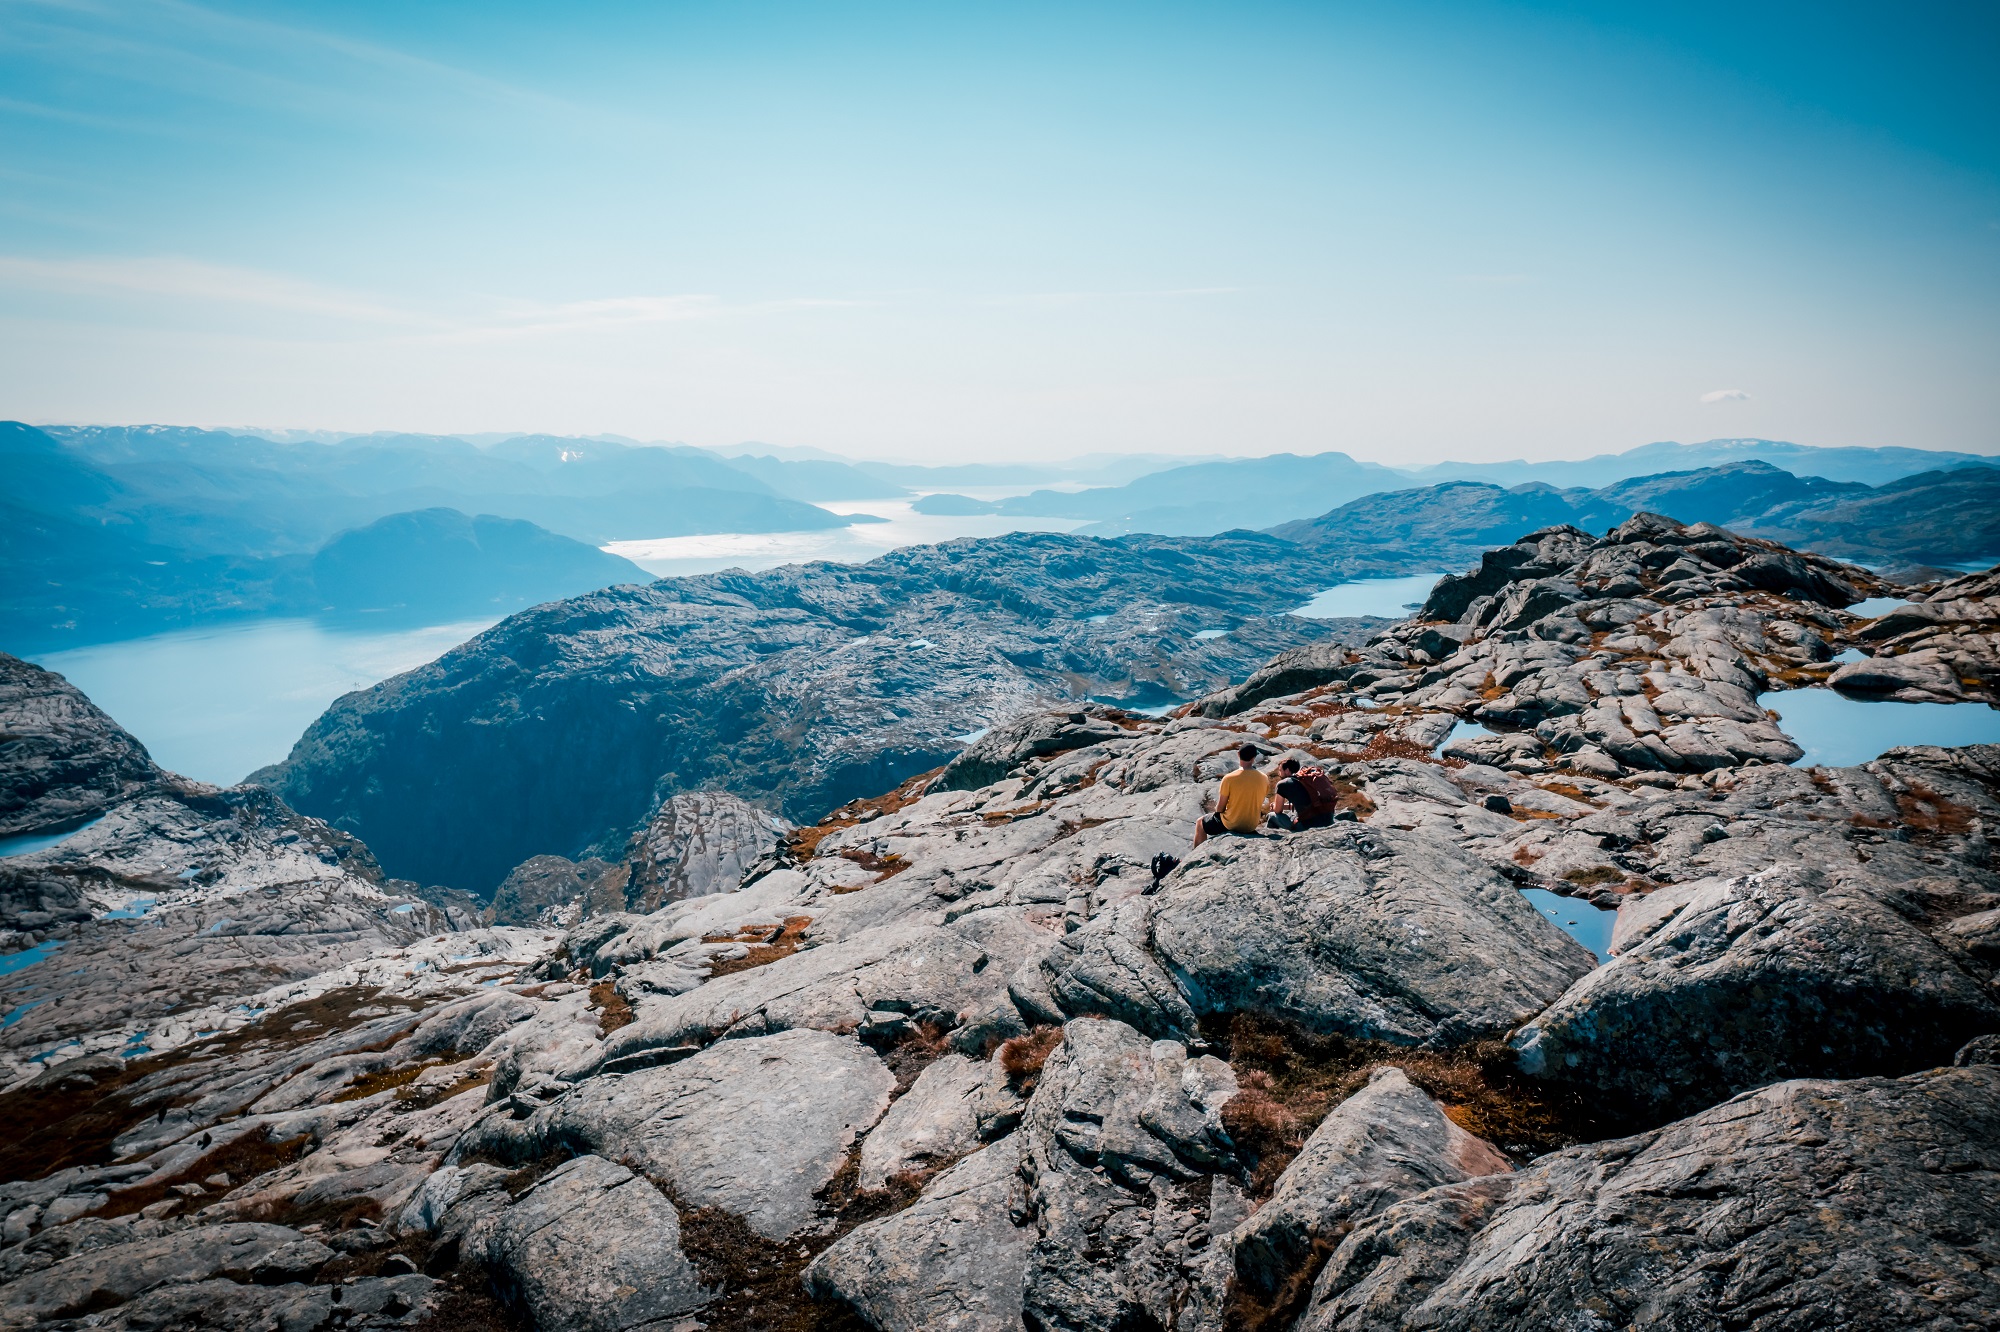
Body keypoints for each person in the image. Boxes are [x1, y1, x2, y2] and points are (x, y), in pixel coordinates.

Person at [1194, 743, 1270, 846]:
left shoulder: (1229, 778)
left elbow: (1220, 808)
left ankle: (1196, 856)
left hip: (1232, 824)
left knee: (1200, 822)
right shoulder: (1264, 778)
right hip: (1252, 825)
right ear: (1254, 757)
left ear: (1238, 754)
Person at [1269, 757, 1340, 831]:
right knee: (1293, 814)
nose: (1278, 773)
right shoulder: (1305, 780)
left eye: (1280, 770)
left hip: (1307, 826)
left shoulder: (1283, 784)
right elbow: (1307, 801)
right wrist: (1285, 807)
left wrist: (1274, 806)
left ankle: (1273, 839)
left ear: (1287, 770)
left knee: (1271, 816)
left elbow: (1277, 811)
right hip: (1329, 821)